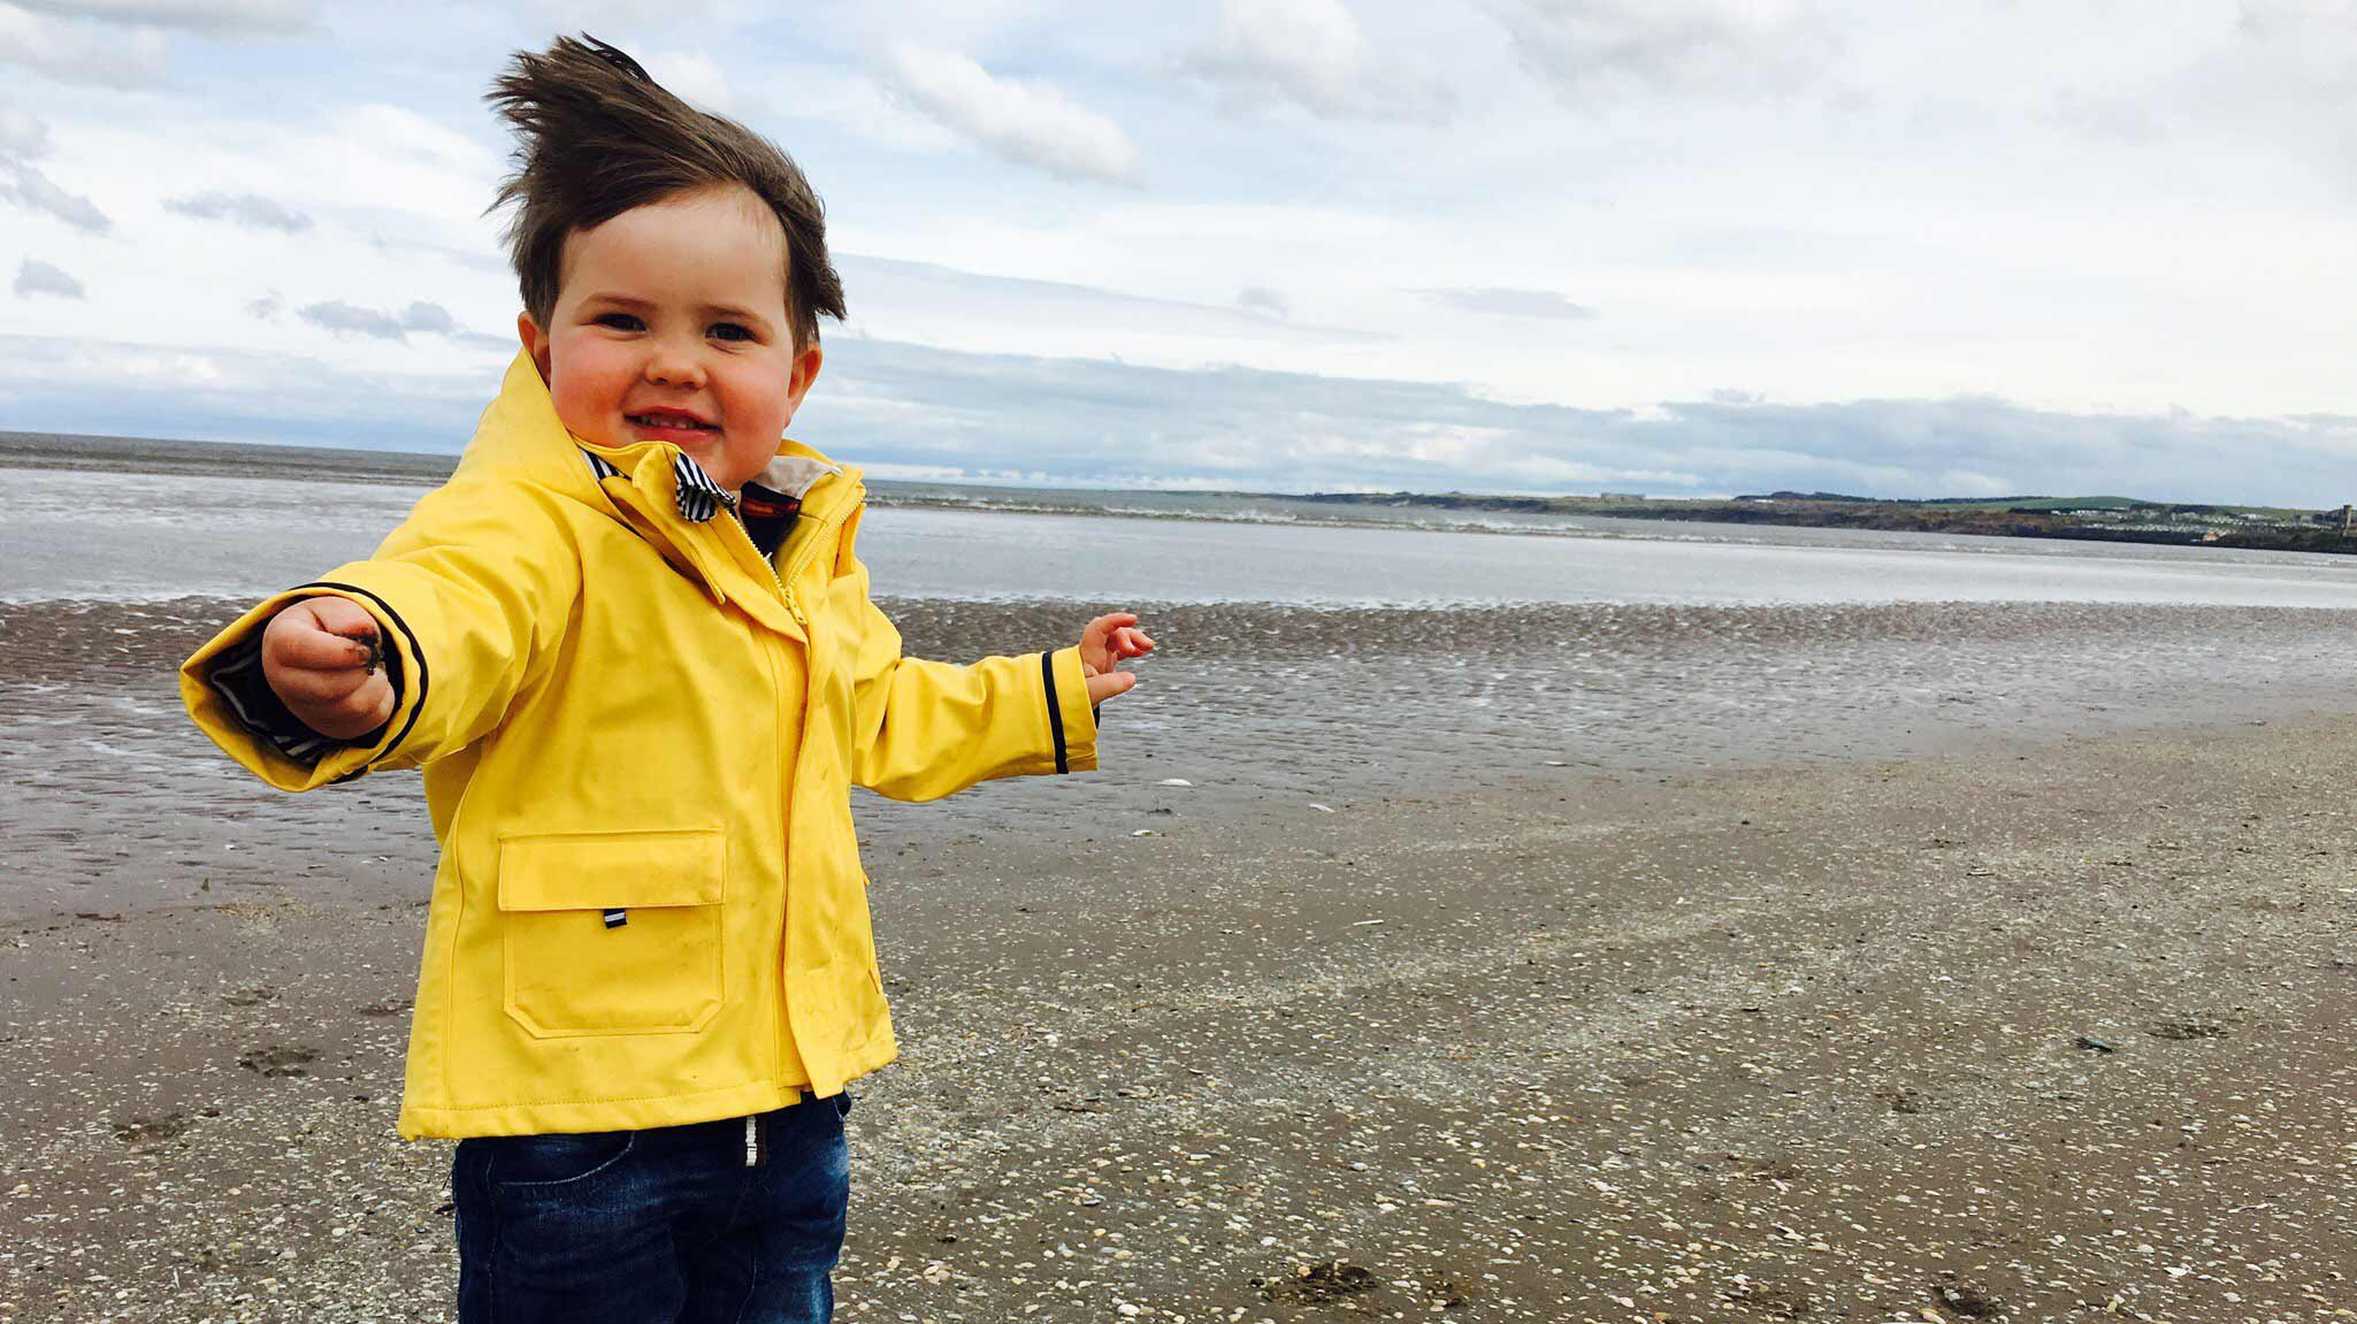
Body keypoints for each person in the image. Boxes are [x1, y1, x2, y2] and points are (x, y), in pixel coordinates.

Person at [177, 34, 1153, 1324]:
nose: (676, 361)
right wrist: (358, 649)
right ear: (540, 346)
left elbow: (875, 712)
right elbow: (458, 603)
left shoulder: (794, 546)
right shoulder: (532, 519)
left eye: (729, 330)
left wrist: (1050, 691)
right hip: (580, 1107)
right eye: (623, 321)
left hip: (788, 1085)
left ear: (795, 370)